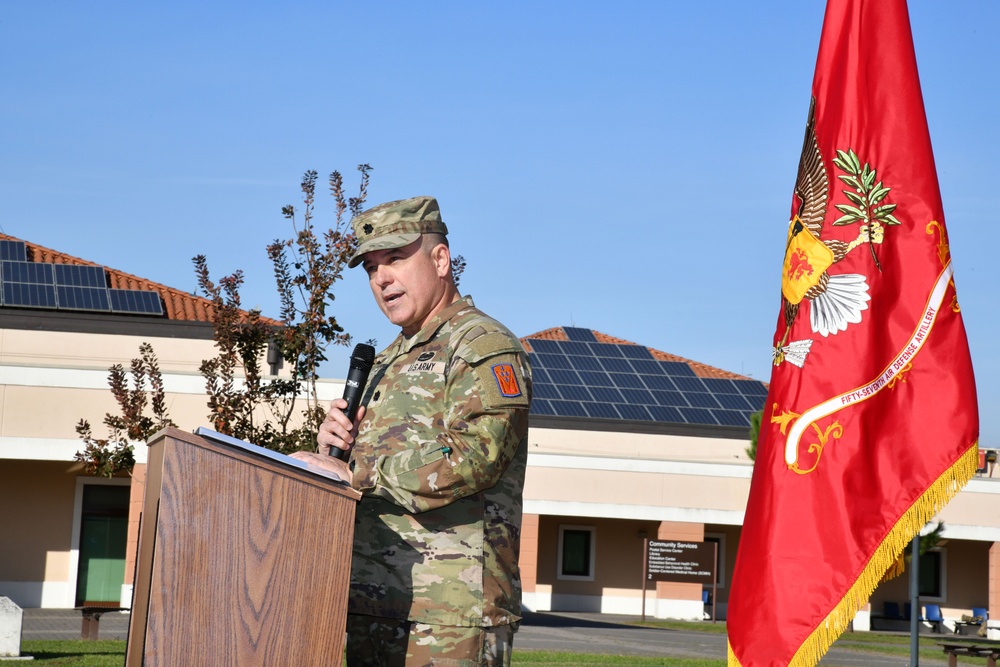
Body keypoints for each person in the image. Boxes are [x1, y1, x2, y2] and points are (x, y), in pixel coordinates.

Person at [292, 195, 532, 667]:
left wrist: (356, 472)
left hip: (450, 615)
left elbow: (476, 457)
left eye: (396, 258)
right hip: (374, 602)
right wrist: (332, 454)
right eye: (370, 268)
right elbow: (367, 471)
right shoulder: (388, 359)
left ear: (440, 259)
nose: (381, 278)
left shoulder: (482, 345)